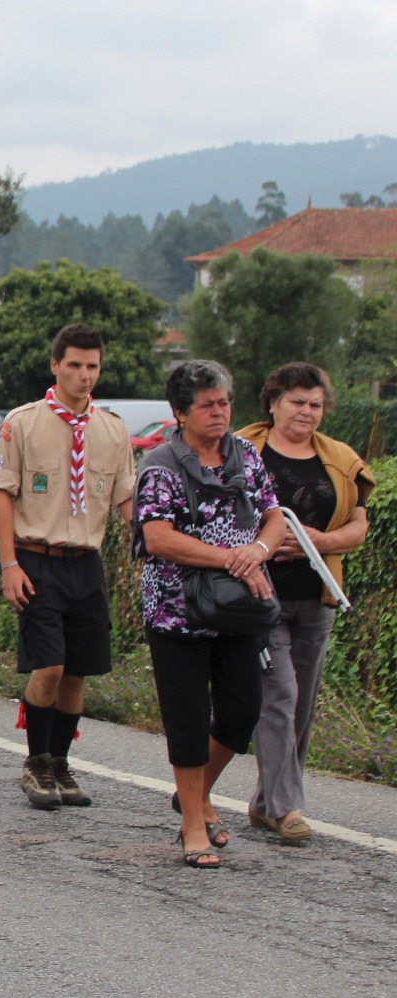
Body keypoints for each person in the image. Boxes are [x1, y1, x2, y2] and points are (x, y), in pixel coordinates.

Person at [135, 360, 286, 867]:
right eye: (207, 404)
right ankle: (192, 825)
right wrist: (229, 557)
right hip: (177, 611)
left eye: (224, 402)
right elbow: (157, 538)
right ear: (180, 412)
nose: (220, 412)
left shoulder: (245, 455)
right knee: (188, 717)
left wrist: (259, 552)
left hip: (240, 609)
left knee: (241, 712)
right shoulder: (161, 463)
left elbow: (273, 516)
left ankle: (195, 796)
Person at [0, 323, 137, 810]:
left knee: (77, 671)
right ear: (55, 366)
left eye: (92, 366)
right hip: (37, 558)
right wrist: (9, 564)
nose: (84, 375)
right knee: (48, 666)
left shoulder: (113, 429)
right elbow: (2, 494)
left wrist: (151, 541)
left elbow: (125, 501)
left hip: (86, 562)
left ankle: (60, 763)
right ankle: (35, 762)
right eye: (74, 364)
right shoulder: (23, 422)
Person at [238, 363, 372, 843]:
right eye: (297, 402)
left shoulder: (339, 458)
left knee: (302, 705)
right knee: (280, 694)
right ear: (272, 403)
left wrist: (323, 538)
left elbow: (359, 524)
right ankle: (288, 809)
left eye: (315, 404)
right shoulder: (240, 450)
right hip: (258, 594)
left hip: (316, 596)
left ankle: (263, 802)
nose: (307, 412)